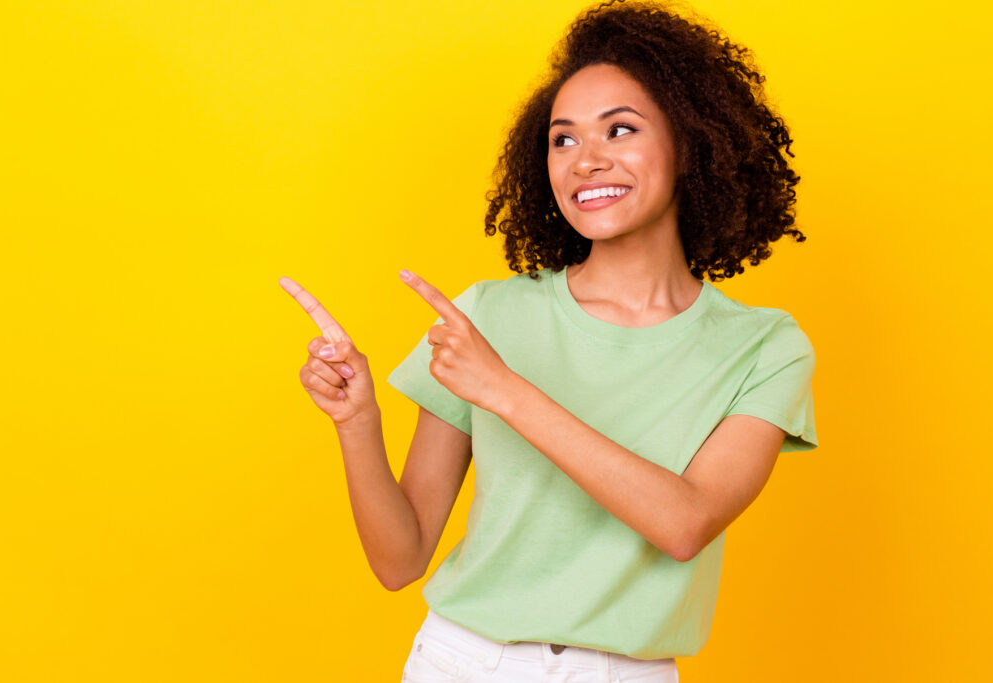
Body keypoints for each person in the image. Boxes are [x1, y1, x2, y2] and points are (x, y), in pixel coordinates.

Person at [281, 0, 817, 680]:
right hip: (460, 659)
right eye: (563, 140)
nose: (586, 160)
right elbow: (400, 560)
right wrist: (358, 421)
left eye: (619, 130)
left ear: (689, 144)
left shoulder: (765, 346)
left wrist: (503, 389)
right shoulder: (489, 316)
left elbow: (684, 524)